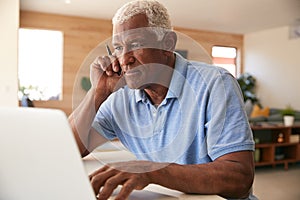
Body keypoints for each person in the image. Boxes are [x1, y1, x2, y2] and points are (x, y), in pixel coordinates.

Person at [68, 0, 256, 199]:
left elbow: (240, 178)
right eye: (118, 47)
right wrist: (98, 92)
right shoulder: (120, 97)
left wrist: (152, 170)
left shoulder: (215, 83)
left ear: (167, 44)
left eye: (136, 44)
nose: (124, 59)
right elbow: (70, 148)